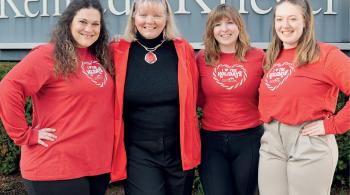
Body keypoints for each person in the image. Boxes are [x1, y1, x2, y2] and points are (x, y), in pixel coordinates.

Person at [0, 0, 114, 195]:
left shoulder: (98, 57)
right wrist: (25, 135)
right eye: (83, 22)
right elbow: (9, 87)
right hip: (55, 167)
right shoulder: (48, 55)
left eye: (96, 24)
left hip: (96, 167)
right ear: (68, 23)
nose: (89, 29)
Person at [258, 0, 350, 194]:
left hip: (309, 142)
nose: (285, 25)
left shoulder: (327, 55)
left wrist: (332, 125)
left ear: (306, 22)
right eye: (280, 19)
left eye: (293, 19)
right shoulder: (272, 56)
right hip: (272, 143)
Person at [109, 0, 200, 194]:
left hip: (179, 150)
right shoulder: (117, 51)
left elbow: (197, 95)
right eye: (143, 15)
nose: (150, 21)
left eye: (157, 15)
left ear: (167, 19)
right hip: (139, 152)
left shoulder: (183, 50)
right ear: (133, 17)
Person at [196, 4, 264, 195]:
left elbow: (270, 94)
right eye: (218, 25)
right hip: (212, 141)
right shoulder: (203, 58)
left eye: (229, 23)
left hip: (249, 139)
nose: (224, 29)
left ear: (239, 26)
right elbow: (197, 96)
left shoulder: (258, 57)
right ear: (212, 31)